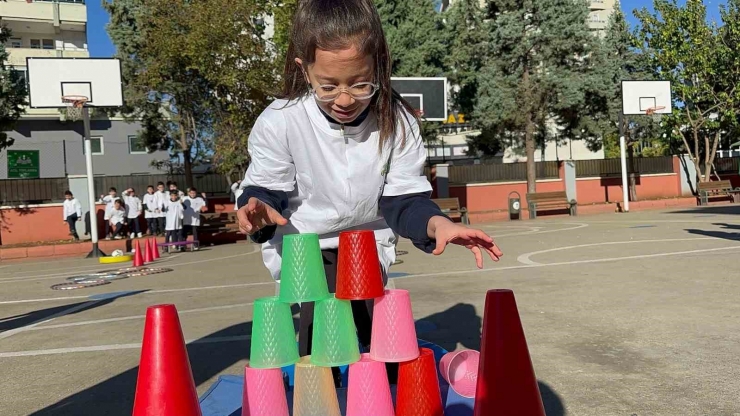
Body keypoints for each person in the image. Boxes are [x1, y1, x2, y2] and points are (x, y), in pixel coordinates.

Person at [235, 0, 503, 369]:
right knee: (324, 337)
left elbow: (405, 200)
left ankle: (383, 387)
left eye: (360, 83)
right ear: (305, 70)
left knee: (377, 335)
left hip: (367, 240)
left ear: (378, 65)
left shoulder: (398, 119)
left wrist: (438, 224)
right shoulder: (281, 121)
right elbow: (266, 188)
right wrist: (258, 209)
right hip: (306, 243)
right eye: (328, 86)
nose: (344, 99)